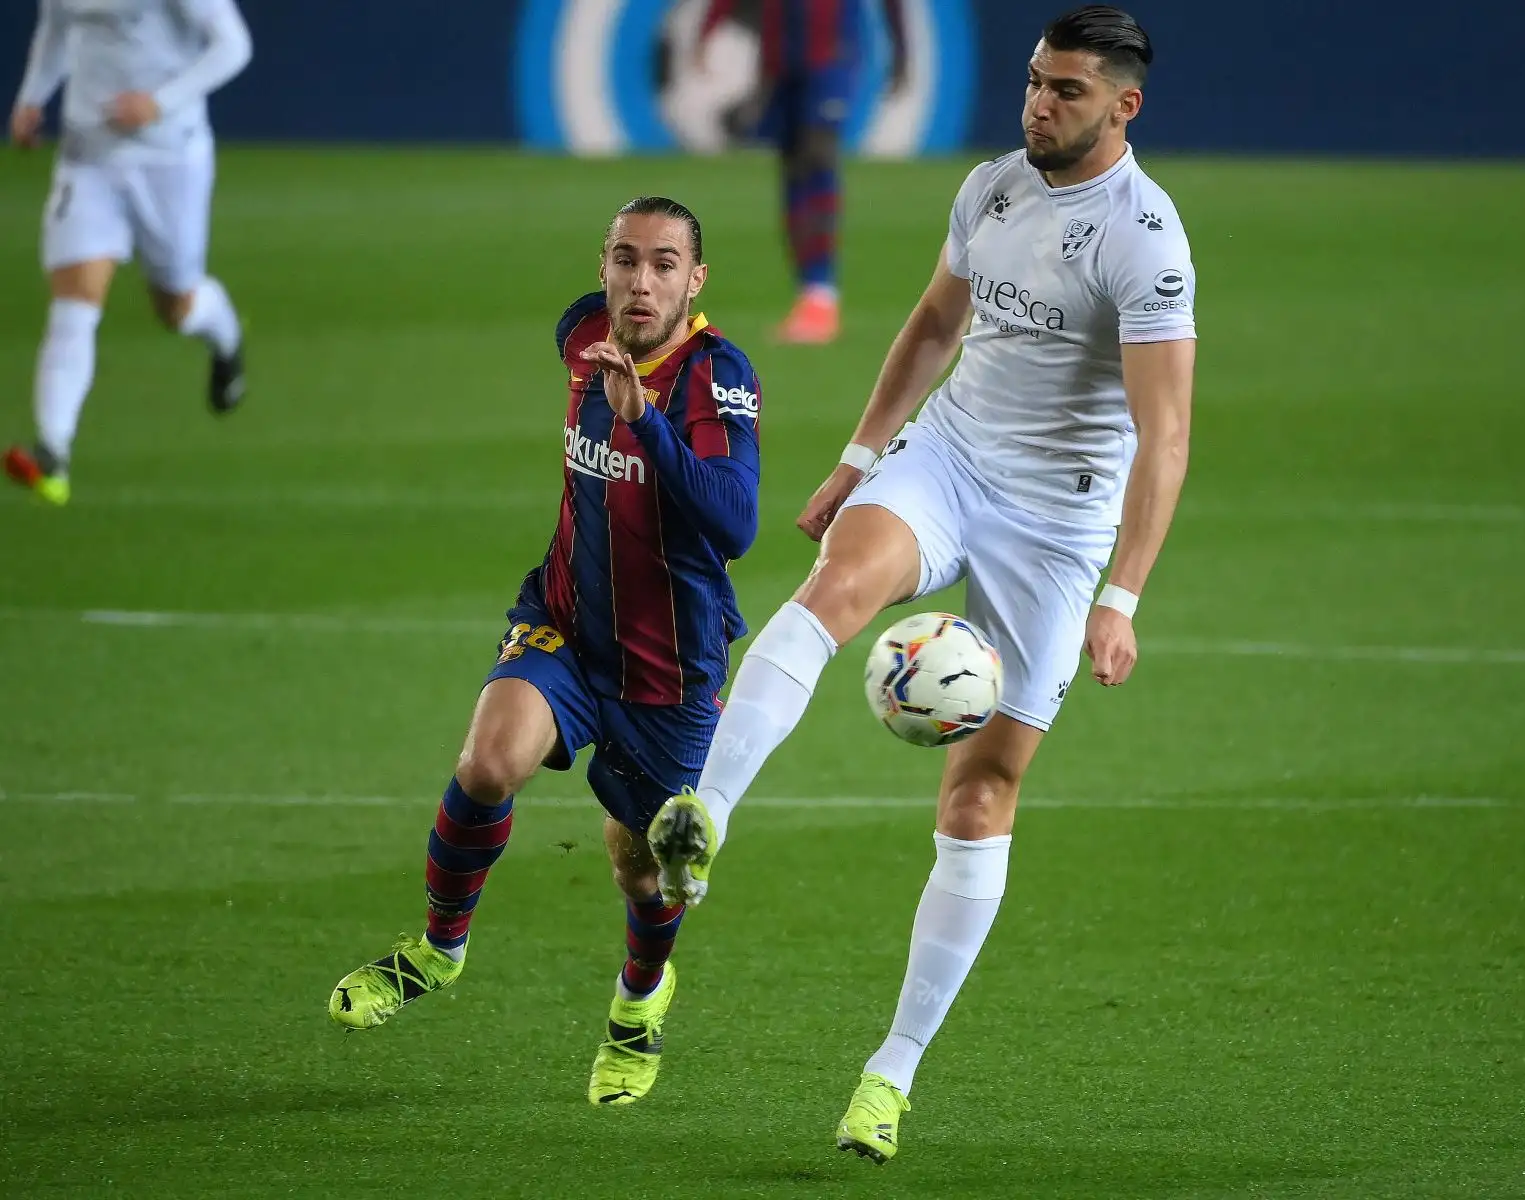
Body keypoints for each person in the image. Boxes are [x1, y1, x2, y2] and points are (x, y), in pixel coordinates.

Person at [644, 5, 1195, 1162]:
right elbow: (934, 325)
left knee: (979, 797)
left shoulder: (1147, 241)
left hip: (1057, 527)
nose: (1041, 104)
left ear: (1124, 108)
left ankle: (889, 1074)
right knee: (837, 590)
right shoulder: (993, 185)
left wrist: (1122, 594)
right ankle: (706, 816)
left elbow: (1168, 434)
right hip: (949, 459)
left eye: (1068, 92)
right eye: (1037, 83)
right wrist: (856, 461)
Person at [326, 197, 764, 1110]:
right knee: (489, 761)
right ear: (602, 264)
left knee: (639, 864)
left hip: (669, 667)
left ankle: (638, 1007)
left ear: (697, 279)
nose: (641, 283)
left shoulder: (717, 376)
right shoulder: (584, 337)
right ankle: (438, 952)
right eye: (624, 260)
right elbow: (582, 342)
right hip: (564, 621)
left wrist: (642, 420)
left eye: (664, 265)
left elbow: (735, 523)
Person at [5, 0, 252, 507]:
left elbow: (234, 45)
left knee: (176, 307)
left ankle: (224, 336)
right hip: (87, 157)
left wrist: (161, 102)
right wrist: (32, 97)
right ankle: (53, 451)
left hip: (169, 157)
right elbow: (54, 28)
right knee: (74, 303)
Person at [696, 0, 907, 344]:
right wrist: (709, 27)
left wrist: (901, 51)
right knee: (793, 168)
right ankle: (811, 297)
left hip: (832, 59)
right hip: (780, 62)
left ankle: (823, 294)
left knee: (817, 156)